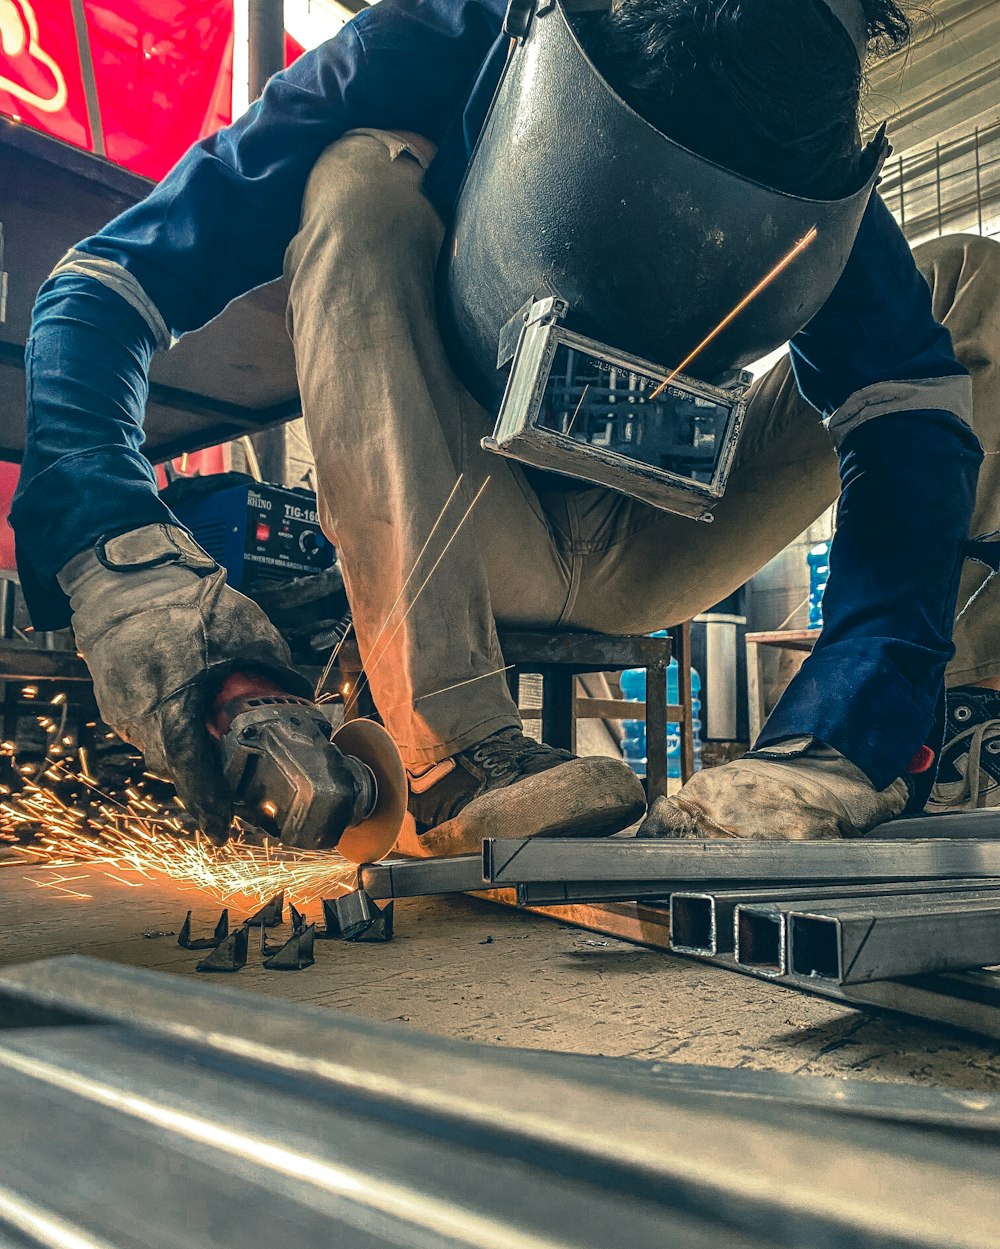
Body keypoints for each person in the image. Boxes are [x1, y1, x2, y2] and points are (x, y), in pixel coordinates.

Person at [12, 0, 999, 853]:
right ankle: (454, 755)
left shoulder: (807, 170)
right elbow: (101, 286)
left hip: (664, 538)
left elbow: (908, 421)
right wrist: (118, 553)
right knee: (356, 183)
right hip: (463, 528)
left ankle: (923, 743)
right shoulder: (426, 46)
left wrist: (853, 714)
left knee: (970, 287)